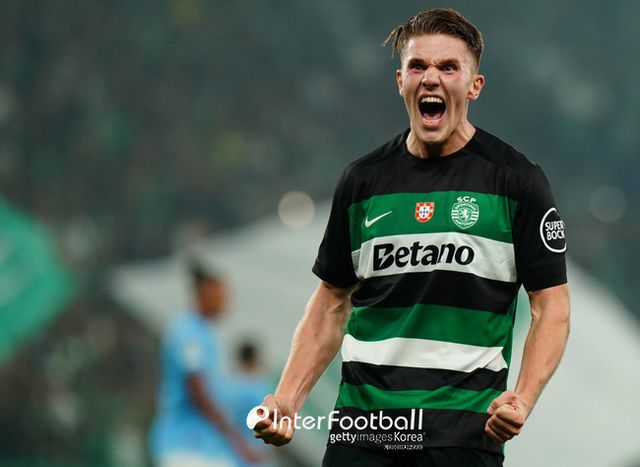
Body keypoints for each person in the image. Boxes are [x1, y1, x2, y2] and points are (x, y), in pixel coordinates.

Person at [253, 7, 570, 467]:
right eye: (418, 66)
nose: (430, 78)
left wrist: (523, 396)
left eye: (449, 67)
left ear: (475, 86)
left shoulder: (516, 181)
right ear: (400, 80)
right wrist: (286, 400)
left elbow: (551, 306)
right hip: (362, 432)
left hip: (461, 435)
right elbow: (330, 303)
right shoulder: (363, 181)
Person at [149, 263, 260, 467]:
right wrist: (237, 441)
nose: (224, 300)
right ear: (205, 292)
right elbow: (198, 392)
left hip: (208, 447)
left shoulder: (205, 333)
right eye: (220, 293)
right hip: (186, 446)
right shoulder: (188, 332)